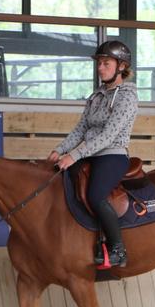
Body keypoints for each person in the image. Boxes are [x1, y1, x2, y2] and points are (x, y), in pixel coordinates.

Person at [48, 40, 138, 267]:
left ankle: (118, 249)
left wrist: (74, 156)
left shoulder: (127, 97)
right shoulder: (96, 95)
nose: (100, 68)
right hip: (89, 154)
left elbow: (108, 136)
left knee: (96, 195)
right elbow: (81, 129)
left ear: (121, 66)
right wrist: (60, 150)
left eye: (106, 63)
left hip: (112, 154)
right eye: (99, 63)